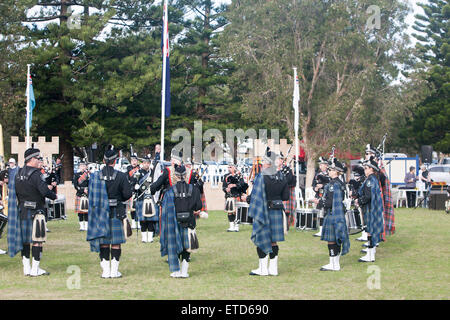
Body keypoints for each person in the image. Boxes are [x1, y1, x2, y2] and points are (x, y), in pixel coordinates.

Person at [7, 148, 57, 276]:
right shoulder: (36, 174)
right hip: (36, 211)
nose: (39, 160)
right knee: (37, 240)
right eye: (38, 158)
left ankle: (26, 268)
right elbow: (44, 191)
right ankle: (35, 270)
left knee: (25, 241)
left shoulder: (17, 173)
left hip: (22, 210)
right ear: (32, 159)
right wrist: (54, 195)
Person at [87, 147, 132, 278]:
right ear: (115, 160)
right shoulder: (121, 176)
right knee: (116, 243)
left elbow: (91, 195)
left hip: (100, 214)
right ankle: (114, 271)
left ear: (103, 160)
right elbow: (127, 194)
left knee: (104, 242)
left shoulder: (95, 177)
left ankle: (106, 271)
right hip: (117, 212)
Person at [243, 150, 289, 276]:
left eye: (263, 161)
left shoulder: (261, 176)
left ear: (267, 163)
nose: (262, 163)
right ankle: (273, 269)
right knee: (274, 240)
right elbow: (285, 196)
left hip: (264, 211)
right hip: (277, 211)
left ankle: (263, 269)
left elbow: (255, 197)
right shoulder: (282, 176)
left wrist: (246, 199)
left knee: (262, 238)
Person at [160, 164, 202, 278]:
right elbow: (198, 206)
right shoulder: (194, 189)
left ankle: (176, 271)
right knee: (187, 246)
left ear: (176, 176)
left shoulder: (169, 191)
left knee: (176, 244)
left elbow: (165, 210)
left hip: (174, 222)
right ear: (186, 175)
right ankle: (184, 271)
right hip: (190, 221)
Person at [313, 158, 350, 271]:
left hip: (332, 214)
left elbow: (330, 202)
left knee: (332, 239)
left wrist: (318, 201)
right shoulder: (340, 183)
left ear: (336, 171)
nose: (328, 171)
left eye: (331, 169)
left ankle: (333, 264)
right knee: (336, 238)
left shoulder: (334, 185)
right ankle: (335, 264)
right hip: (338, 214)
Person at [356, 157, 384, 263]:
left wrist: (359, 201)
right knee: (370, 231)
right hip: (373, 208)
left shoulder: (370, 181)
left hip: (370, 209)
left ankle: (370, 255)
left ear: (371, 169)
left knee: (370, 232)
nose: (365, 170)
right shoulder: (373, 179)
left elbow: (368, 196)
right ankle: (370, 253)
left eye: (366, 168)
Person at [135, 156, 159, 243]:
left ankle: (150, 237)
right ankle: (144, 237)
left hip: (151, 197)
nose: (146, 164)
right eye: (144, 163)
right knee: (143, 219)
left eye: (148, 163)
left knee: (151, 219)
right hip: (142, 197)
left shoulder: (152, 173)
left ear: (149, 164)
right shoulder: (138, 173)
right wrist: (135, 187)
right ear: (142, 164)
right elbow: (134, 186)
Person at [222, 164, 248, 232]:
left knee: (237, 212)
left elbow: (242, 184)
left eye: (230, 167)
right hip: (229, 196)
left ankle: (236, 226)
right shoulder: (226, 176)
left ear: (234, 168)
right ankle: (231, 226)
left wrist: (234, 185)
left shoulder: (239, 175)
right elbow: (223, 187)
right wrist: (226, 189)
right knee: (230, 212)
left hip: (237, 195)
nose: (229, 168)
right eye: (228, 167)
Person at [312, 157, 330, 237]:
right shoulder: (317, 174)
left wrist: (322, 185)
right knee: (320, 214)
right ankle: (321, 230)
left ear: (326, 165)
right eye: (320, 165)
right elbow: (313, 184)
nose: (320, 166)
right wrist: (315, 188)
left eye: (322, 165)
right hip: (319, 195)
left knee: (326, 213)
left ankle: (327, 230)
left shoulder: (329, 174)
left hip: (327, 196)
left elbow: (331, 184)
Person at [279, 152, 296, 229]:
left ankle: (286, 225)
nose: (278, 161)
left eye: (280, 159)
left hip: (285, 191)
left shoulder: (287, 169)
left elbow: (290, 180)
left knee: (286, 210)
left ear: (282, 160)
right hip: (276, 192)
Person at [73, 161, 89, 231]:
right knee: (80, 212)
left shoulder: (88, 175)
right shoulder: (76, 175)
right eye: (81, 166)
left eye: (84, 166)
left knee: (86, 212)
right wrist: (82, 191)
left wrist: (88, 190)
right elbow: (75, 185)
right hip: (79, 194)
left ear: (86, 167)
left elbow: (90, 184)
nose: (83, 167)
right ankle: (81, 226)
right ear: (79, 167)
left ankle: (86, 226)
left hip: (87, 194)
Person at [126, 154, 141, 229]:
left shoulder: (139, 168)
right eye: (132, 160)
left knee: (137, 206)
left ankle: (137, 221)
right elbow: (126, 178)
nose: (134, 162)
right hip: (131, 189)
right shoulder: (128, 168)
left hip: (139, 189)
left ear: (137, 161)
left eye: (135, 160)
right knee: (132, 207)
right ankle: (133, 222)